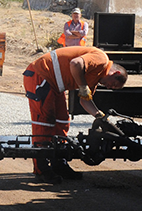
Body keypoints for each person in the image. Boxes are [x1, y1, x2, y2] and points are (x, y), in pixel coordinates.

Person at [23, 46, 127, 183]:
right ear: (115, 73)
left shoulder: (95, 76)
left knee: (62, 121)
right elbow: (75, 63)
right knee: (45, 123)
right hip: (41, 75)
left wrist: (99, 116)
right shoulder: (101, 59)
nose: (109, 87)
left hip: (54, 85)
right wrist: (83, 86)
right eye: (112, 85)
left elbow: (84, 101)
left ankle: (59, 164)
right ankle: (41, 169)